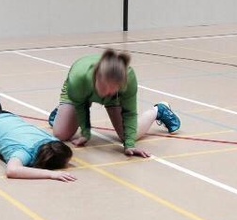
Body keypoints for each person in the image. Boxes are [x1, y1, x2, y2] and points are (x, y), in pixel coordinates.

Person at [48, 49, 181, 158]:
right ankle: (63, 111)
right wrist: (85, 133)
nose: (107, 93)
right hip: (80, 94)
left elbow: (129, 113)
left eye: (112, 90)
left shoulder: (128, 79)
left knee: (128, 136)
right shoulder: (78, 77)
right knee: (61, 134)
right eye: (105, 88)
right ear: (98, 78)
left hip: (113, 99)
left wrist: (129, 145)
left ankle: (158, 111)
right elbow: (80, 105)